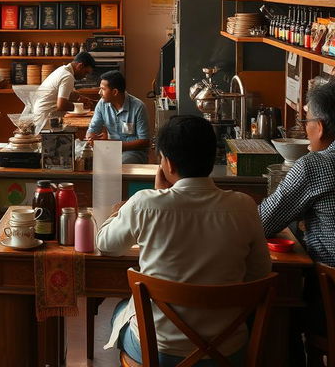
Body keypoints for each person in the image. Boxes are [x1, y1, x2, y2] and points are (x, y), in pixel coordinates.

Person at [97, 115, 271, 364]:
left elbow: (105, 244)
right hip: (227, 351)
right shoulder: (244, 206)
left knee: (119, 313)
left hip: (159, 352)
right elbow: (260, 274)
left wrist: (148, 200)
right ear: (213, 159)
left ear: (167, 163)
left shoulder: (145, 204)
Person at [259, 82, 335, 362]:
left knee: (278, 310)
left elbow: (262, 223)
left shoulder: (316, 165)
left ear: (322, 126)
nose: (305, 128)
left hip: (330, 301)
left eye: (307, 120)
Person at [86, 71, 150, 163]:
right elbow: (93, 128)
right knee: (83, 158)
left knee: (117, 164)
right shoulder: (102, 104)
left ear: (115, 92)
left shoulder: (138, 107)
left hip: (133, 152)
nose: (99, 92)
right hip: (110, 150)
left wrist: (114, 146)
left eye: (103, 89)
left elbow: (144, 141)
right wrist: (90, 137)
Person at [32, 52, 96, 125]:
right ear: (80, 66)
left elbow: (64, 94)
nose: (85, 76)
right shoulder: (68, 76)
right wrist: (81, 106)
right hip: (45, 120)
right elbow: (61, 105)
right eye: (85, 72)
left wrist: (79, 98)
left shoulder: (62, 70)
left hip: (40, 115)